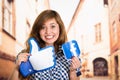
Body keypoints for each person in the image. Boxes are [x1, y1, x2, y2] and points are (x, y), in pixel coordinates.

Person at [9, 9, 81, 80]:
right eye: (43, 27)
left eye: (52, 26)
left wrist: (72, 71)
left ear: (60, 28)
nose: (48, 32)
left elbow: (77, 77)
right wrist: (17, 67)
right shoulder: (27, 54)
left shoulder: (70, 55)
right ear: (38, 30)